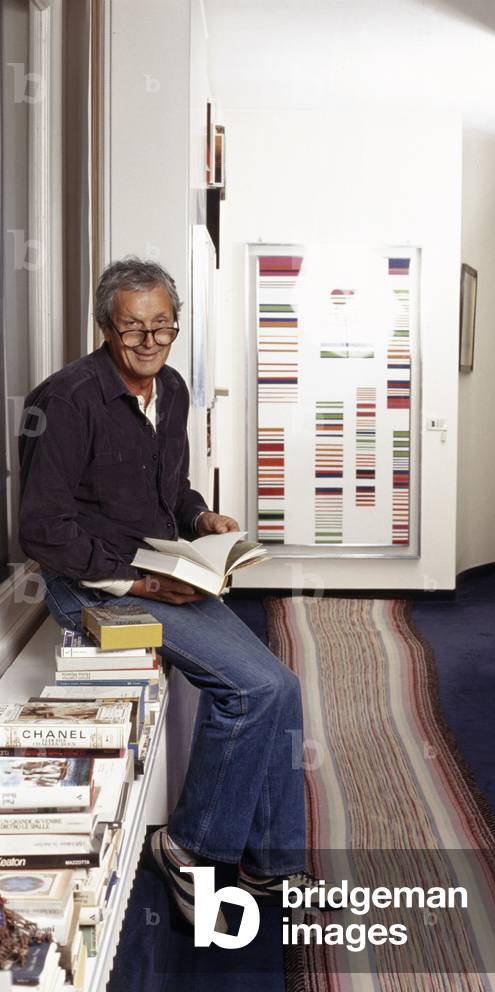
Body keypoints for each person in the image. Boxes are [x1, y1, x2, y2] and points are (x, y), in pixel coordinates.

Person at [18, 256, 312, 929]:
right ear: (103, 327)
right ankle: (188, 845)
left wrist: (199, 517)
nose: (150, 342)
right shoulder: (62, 401)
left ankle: (271, 864)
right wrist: (144, 581)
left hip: (161, 570)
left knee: (283, 685)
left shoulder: (172, 389)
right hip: (91, 585)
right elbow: (41, 529)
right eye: (133, 330)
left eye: (163, 327)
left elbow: (170, 491)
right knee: (254, 689)